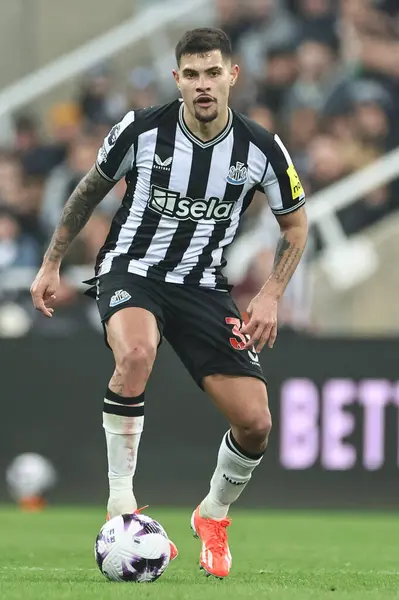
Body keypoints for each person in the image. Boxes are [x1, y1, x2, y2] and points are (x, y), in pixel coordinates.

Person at [30, 28, 308, 579]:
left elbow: (295, 225)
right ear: (177, 79)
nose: (203, 85)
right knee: (135, 354)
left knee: (255, 423)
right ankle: (120, 505)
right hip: (132, 269)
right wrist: (51, 261)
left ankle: (212, 514)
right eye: (192, 74)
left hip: (203, 285)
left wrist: (272, 292)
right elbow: (88, 191)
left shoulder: (261, 148)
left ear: (233, 75)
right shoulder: (140, 130)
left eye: (213, 72)